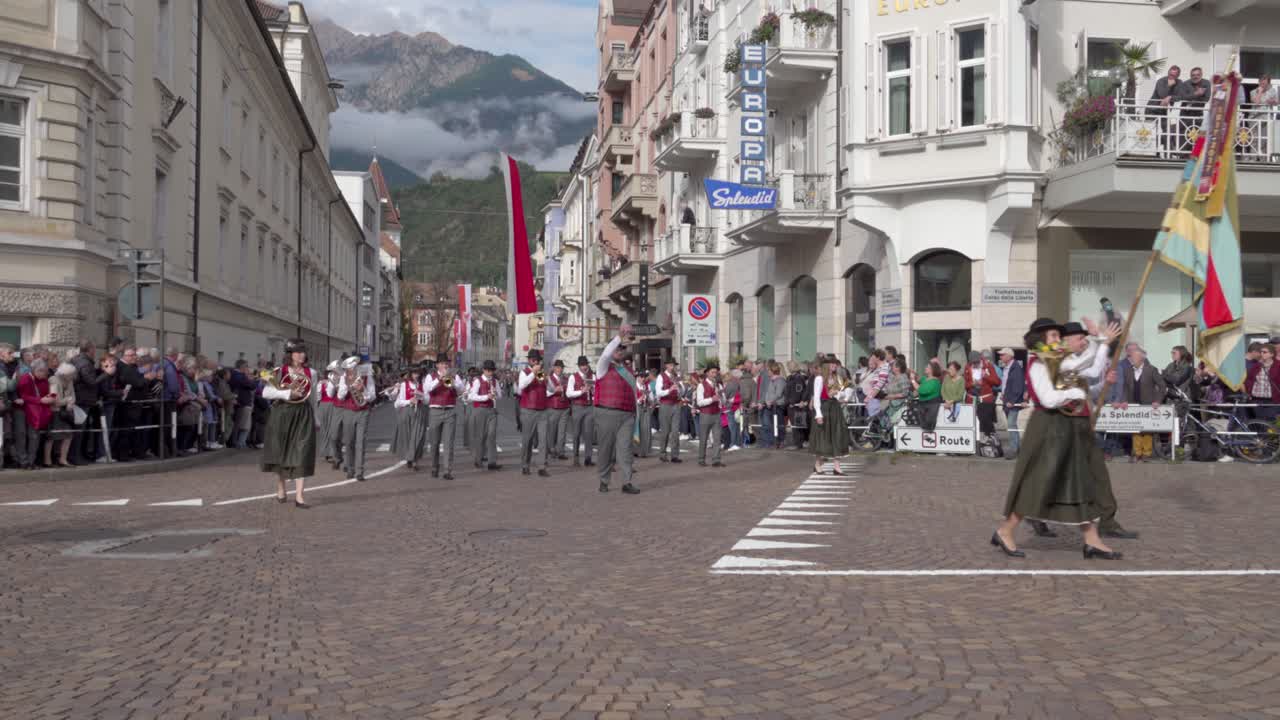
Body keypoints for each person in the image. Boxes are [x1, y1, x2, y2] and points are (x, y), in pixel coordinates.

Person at [992, 318, 1121, 561]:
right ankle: (1005, 530)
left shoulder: (1055, 360)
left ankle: (1092, 539)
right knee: (1038, 483)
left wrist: (1102, 342)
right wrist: (1076, 392)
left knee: (1079, 482)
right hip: (1047, 429)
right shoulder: (1038, 364)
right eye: (1053, 336)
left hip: (1065, 428)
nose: (1057, 340)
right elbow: (1048, 399)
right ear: (1040, 339)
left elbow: (1088, 366)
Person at [258, 339, 316, 508]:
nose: (302, 355)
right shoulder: (279, 371)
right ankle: (281, 486)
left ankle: (299, 496)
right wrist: (288, 393)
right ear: (290, 355)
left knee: (302, 452)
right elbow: (266, 392)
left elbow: (312, 397)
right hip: (282, 414)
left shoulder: (311, 372)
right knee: (281, 452)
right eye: (298, 352)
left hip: (303, 414)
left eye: (303, 352)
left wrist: (317, 419)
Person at [593, 325, 641, 494]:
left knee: (626, 449)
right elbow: (606, 354)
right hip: (607, 412)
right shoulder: (603, 366)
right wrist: (619, 337)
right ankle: (604, 480)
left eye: (622, 348)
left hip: (627, 415)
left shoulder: (628, 370)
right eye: (617, 348)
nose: (620, 350)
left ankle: (627, 482)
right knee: (605, 449)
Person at [425, 354, 466, 480]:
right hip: (435, 410)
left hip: (450, 410)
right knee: (435, 442)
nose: (445, 365)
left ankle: (447, 470)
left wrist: (451, 381)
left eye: (446, 363)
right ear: (437, 365)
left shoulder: (454, 376)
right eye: (442, 363)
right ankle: (434, 467)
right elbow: (428, 389)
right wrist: (439, 378)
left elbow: (461, 389)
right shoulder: (430, 376)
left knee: (449, 443)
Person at [1121, 346, 1166, 462]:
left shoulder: (1151, 369)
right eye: (1131, 357)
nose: (1131, 359)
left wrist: (1158, 400)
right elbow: (1125, 387)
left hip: (1148, 404)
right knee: (1135, 429)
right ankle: (1136, 453)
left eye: (1133, 357)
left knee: (1147, 430)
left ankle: (1146, 453)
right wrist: (1124, 400)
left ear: (1141, 358)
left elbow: (1162, 386)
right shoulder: (1128, 371)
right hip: (1133, 404)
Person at [811, 354, 853, 475]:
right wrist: (818, 414)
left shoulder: (838, 378)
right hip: (824, 408)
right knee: (822, 437)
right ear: (826, 365)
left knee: (837, 435)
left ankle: (837, 466)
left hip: (835, 408)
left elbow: (843, 394)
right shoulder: (819, 379)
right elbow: (817, 398)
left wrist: (840, 394)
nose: (834, 365)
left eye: (835, 363)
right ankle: (818, 463)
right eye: (832, 363)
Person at [336, 354, 375, 482]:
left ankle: (359, 471)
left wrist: (362, 389)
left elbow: (372, 396)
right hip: (348, 411)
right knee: (349, 441)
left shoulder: (366, 376)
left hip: (363, 412)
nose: (352, 370)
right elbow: (340, 396)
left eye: (354, 366)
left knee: (361, 442)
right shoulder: (343, 377)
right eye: (350, 367)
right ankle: (350, 468)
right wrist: (348, 385)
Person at [517, 349, 550, 477]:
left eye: (537, 360)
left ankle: (542, 466)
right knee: (527, 439)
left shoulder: (541, 373)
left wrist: (548, 380)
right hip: (528, 409)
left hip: (542, 410)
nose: (535, 361)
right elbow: (522, 386)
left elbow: (547, 388)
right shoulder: (524, 373)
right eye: (533, 359)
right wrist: (533, 373)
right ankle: (525, 464)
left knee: (543, 439)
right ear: (529, 361)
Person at [17, 359, 53, 469]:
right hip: (23, 410)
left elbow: (46, 393)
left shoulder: (44, 380)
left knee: (34, 437)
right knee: (22, 435)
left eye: (46, 371)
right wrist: (40, 400)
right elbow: (23, 396)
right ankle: (23, 461)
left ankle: (31, 461)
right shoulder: (25, 379)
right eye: (43, 371)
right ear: (36, 370)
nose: (45, 374)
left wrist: (49, 398)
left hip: (36, 412)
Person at [468, 360, 502, 470]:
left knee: (492, 435)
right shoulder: (478, 381)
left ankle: (492, 462)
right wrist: (485, 397)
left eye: (492, 370)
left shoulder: (495, 381)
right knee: (480, 436)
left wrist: (496, 394)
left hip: (492, 410)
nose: (490, 372)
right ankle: (478, 459)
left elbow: (500, 395)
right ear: (483, 370)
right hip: (480, 409)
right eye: (488, 370)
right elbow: (471, 396)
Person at [391, 366, 426, 470]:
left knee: (418, 436)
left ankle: (415, 459)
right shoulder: (403, 385)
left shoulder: (421, 384)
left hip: (419, 411)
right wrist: (409, 401)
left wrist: (422, 396)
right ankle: (409, 458)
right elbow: (398, 402)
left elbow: (426, 400)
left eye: (418, 373)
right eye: (415, 373)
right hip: (407, 411)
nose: (417, 375)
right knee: (407, 436)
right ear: (411, 374)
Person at [965, 350, 1001, 440]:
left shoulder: (988, 366)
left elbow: (997, 382)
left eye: (976, 362)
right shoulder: (967, 367)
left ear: (980, 359)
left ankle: (990, 441)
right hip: (971, 400)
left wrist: (985, 376)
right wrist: (972, 384)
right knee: (971, 422)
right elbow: (965, 385)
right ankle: (974, 443)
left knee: (986, 422)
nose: (975, 364)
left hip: (985, 400)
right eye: (973, 362)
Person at [695, 362, 725, 468]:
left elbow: (723, 401)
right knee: (704, 438)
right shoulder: (701, 385)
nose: (715, 374)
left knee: (717, 438)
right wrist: (712, 399)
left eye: (716, 372)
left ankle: (716, 459)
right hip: (706, 414)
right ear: (707, 373)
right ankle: (701, 459)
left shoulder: (719, 385)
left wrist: (722, 397)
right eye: (712, 372)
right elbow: (699, 402)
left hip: (716, 413)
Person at [566, 356, 595, 466]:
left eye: (586, 365)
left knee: (588, 433)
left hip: (589, 406)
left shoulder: (593, 376)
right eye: (582, 365)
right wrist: (581, 391)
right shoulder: (573, 377)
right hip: (577, 406)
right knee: (576, 433)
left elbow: (597, 392)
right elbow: (569, 393)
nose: (584, 367)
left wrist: (593, 390)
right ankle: (576, 457)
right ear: (579, 366)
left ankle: (588, 458)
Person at [1147, 65, 1182, 155]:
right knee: (1151, 132)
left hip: (1165, 111)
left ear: (1177, 76)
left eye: (1173, 76)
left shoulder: (1180, 83)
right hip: (1152, 109)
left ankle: (1167, 153)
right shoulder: (1161, 81)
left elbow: (1180, 96)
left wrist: (1170, 97)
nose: (1171, 77)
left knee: (1167, 131)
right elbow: (1162, 94)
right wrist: (1169, 86)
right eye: (1170, 74)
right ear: (1168, 73)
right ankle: (1153, 153)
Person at [998, 348, 1026, 458]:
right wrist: (1003, 393)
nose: (1000, 357)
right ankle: (1017, 447)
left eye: (1002, 355)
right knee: (1012, 425)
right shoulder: (1008, 368)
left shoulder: (1016, 368)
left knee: (1011, 424)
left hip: (1012, 402)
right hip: (1007, 400)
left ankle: (1014, 449)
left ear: (1009, 356)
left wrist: (1012, 401)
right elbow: (1006, 383)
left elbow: (1018, 387)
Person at [654, 357, 682, 463]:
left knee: (675, 432)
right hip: (665, 405)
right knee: (665, 431)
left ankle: (674, 455)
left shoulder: (676, 376)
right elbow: (658, 392)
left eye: (673, 365)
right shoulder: (661, 376)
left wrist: (680, 388)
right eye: (670, 365)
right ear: (666, 365)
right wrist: (669, 390)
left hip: (676, 404)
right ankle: (662, 453)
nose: (672, 367)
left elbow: (681, 391)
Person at [544, 360, 571, 464]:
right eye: (558, 367)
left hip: (564, 407)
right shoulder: (548, 379)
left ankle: (561, 451)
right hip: (553, 407)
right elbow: (544, 393)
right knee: (551, 431)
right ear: (554, 368)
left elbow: (568, 391)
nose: (560, 369)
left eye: (561, 367)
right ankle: (551, 449)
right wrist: (554, 391)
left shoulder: (565, 379)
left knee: (562, 431)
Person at [1245, 343, 1280, 422]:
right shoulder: (1256, 366)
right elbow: (1249, 380)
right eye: (1261, 352)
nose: (1262, 354)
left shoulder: (1278, 366)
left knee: (1270, 422)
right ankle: (1261, 435)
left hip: (1272, 400)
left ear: (1271, 354)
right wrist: (1249, 393)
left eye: (1264, 352)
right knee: (1259, 422)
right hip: (1257, 399)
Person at [1252, 74, 1279, 160]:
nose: (1262, 83)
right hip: (1254, 118)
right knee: (1254, 140)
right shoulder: (1253, 92)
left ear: (1268, 83)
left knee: (1265, 141)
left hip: (1266, 118)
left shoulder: (1272, 91)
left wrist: (1273, 101)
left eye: (1264, 82)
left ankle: (1264, 159)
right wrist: (1259, 92)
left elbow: (1276, 102)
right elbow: (1256, 102)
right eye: (1261, 81)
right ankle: (1252, 159)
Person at [762, 362, 786, 449]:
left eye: (769, 370)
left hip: (778, 406)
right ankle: (774, 441)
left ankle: (781, 441)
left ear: (773, 371)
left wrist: (770, 401)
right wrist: (767, 401)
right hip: (770, 406)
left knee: (779, 424)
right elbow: (768, 393)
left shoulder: (780, 381)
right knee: (772, 425)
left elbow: (778, 394)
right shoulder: (771, 380)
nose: (768, 372)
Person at [916, 360, 944, 432]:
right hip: (922, 405)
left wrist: (913, 381)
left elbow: (922, 390)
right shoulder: (925, 379)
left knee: (928, 426)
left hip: (931, 406)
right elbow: (919, 379)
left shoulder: (935, 382)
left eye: (927, 367)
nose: (925, 368)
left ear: (932, 370)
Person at [634, 369, 654, 458]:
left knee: (645, 429)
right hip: (636, 408)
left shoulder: (647, 386)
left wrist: (648, 398)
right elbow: (631, 400)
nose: (643, 379)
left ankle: (644, 451)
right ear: (637, 377)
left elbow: (652, 399)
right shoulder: (633, 386)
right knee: (636, 429)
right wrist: (639, 400)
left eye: (644, 377)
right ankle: (635, 450)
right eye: (641, 377)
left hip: (645, 408)